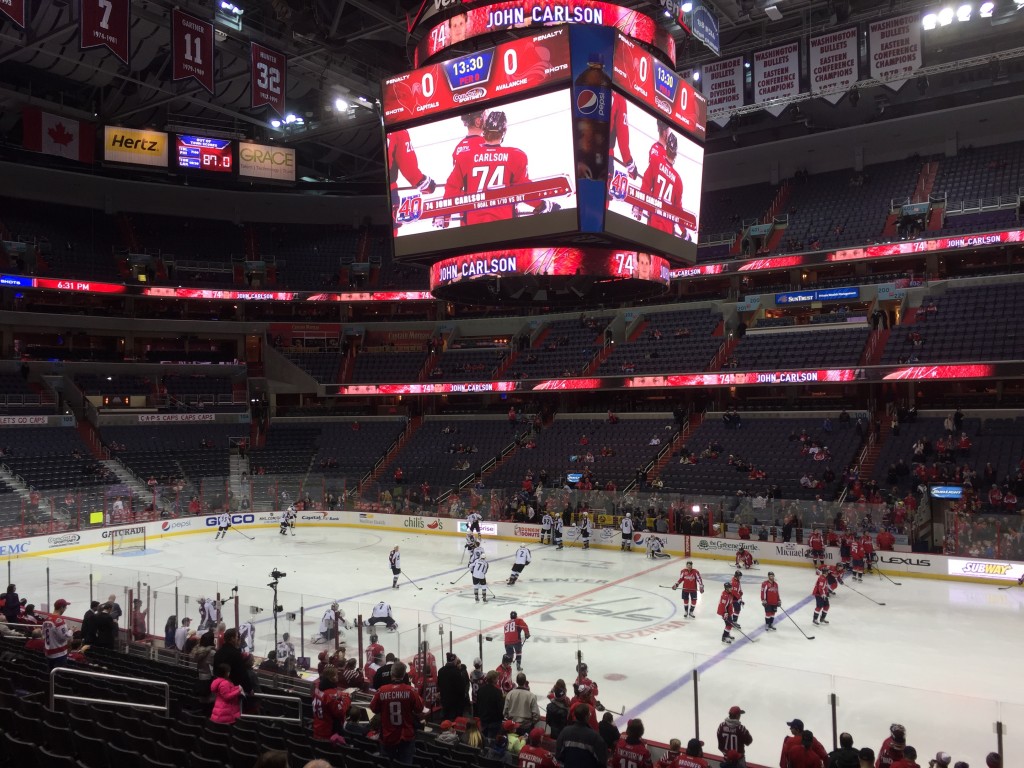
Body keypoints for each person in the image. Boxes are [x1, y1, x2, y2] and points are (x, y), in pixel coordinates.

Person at [437, 110, 560, 228]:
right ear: (504, 132)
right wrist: (542, 204)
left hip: (471, 226)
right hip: (504, 225)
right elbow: (523, 189)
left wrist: (444, 214)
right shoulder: (516, 156)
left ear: (484, 130)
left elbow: (451, 189)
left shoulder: (465, 156)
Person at [369, 660, 425, 765]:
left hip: (388, 734)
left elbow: (373, 708)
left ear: (392, 673)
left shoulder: (382, 690)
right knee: (405, 764)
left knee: (388, 763)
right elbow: (419, 709)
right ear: (404, 674)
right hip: (406, 735)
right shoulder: (411, 691)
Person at [637, 131, 684, 236]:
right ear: (676, 154)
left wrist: (639, 206)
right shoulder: (678, 180)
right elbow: (678, 210)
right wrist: (684, 231)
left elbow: (646, 186)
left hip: (653, 220)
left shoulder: (656, 162)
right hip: (667, 228)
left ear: (666, 149)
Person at [556, 703, 607, 768]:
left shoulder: (565, 732)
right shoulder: (594, 737)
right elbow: (602, 761)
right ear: (587, 716)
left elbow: (558, 754)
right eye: (589, 714)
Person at [312, 666, 351, 740]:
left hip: (317, 726)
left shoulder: (317, 688)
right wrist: (347, 698)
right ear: (331, 678)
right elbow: (340, 711)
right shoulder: (330, 695)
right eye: (336, 675)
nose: (337, 676)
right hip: (327, 732)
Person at [213, 628, 253, 695]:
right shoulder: (236, 654)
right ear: (232, 639)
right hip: (232, 690)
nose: (238, 639)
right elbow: (242, 673)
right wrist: (248, 689)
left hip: (220, 687)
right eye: (237, 637)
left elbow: (215, 671)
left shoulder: (218, 653)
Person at [437, 652, 469, 720]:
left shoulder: (440, 671)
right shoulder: (457, 672)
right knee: (454, 720)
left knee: (446, 720)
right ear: (454, 660)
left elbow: (439, 685)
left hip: (445, 701)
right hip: (455, 703)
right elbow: (461, 689)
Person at [42, 598, 72, 668]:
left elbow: (43, 634)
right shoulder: (59, 621)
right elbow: (65, 637)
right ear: (61, 608)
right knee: (58, 676)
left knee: (51, 673)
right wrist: (71, 631)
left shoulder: (46, 619)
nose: (65, 609)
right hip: (59, 654)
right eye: (65, 607)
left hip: (49, 653)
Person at [478, 670, 506, 739]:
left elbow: (478, 704)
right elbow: (500, 708)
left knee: (484, 740)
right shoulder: (498, 692)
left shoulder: (481, 690)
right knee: (492, 742)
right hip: (494, 722)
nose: (498, 679)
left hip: (483, 720)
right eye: (497, 678)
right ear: (493, 679)